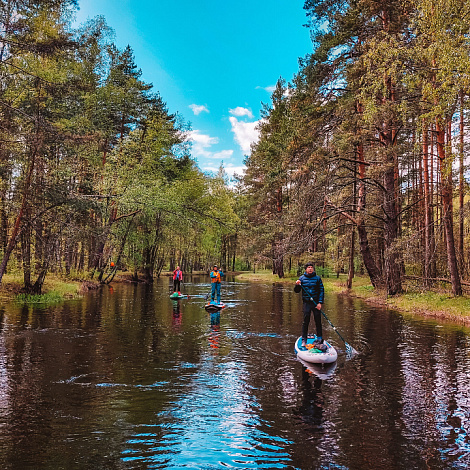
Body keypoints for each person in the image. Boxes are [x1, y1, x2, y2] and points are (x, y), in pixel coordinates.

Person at [294, 262, 325, 348]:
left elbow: (321, 290)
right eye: (308, 267)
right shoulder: (302, 279)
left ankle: (319, 338)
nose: (310, 269)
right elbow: (297, 291)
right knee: (305, 320)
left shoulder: (317, 278)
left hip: (316, 303)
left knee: (318, 320)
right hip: (307, 303)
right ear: (306, 269)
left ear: (313, 269)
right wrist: (297, 285)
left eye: (311, 267)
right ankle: (304, 339)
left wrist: (320, 303)